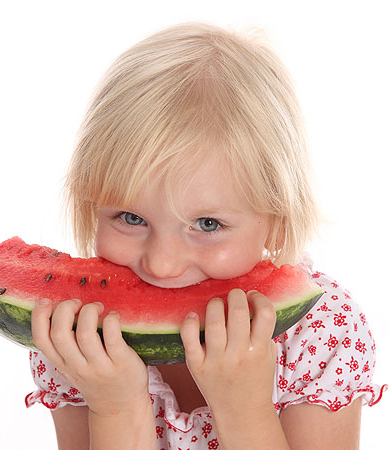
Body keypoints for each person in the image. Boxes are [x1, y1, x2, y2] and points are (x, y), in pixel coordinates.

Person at [25, 22, 387, 449]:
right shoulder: (75, 336)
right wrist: (116, 406)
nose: (162, 264)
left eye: (207, 225)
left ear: (277, 219)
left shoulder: (322, 331)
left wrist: (242, 407)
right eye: (130, 217)